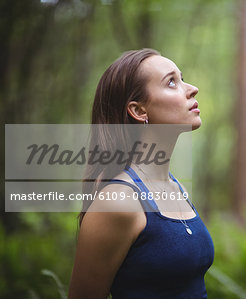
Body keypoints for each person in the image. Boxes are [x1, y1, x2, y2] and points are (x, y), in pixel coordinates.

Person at [68, 48, 215, 298]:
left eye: (182, 78)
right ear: (139, 111)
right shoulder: (118, 201)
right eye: (172, 82)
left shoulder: (176, 187)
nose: (192, 88)